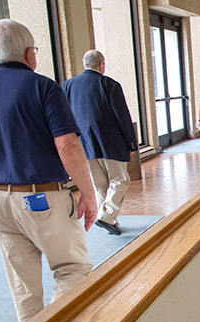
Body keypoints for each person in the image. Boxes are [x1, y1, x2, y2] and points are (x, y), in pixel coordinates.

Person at [0, 19, 96, 322]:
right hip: (42, 198)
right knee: (73, 269)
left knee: (23, 288)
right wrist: (88, 193)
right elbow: (68, 146)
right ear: (30, 53)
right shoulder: (42, 87)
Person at [63, 49, 137, 236]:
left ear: (84, 63)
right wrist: (130, 143)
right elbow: (122, 116)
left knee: (99, 184)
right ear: (102, 64)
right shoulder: (109, 84)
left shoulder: (69, 85)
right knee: (120, 179)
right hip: (109, 141)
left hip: (83, 143)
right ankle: (105, 217)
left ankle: (109, 219)